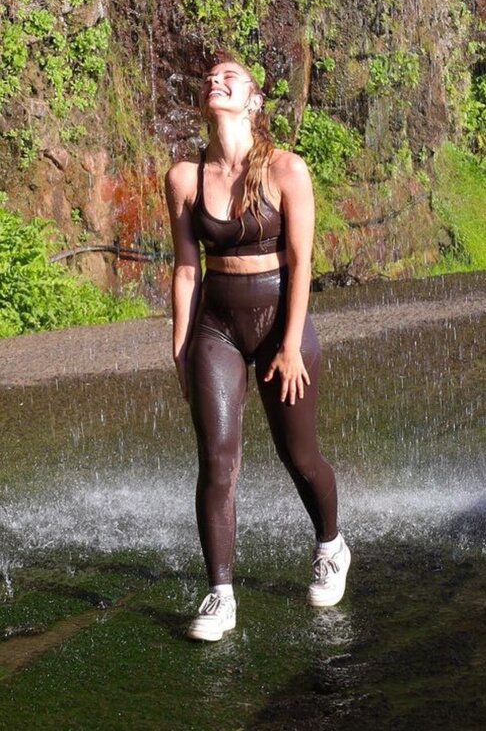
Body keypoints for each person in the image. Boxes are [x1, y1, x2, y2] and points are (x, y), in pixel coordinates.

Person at [164, 57, 350, 642]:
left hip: (278, 325)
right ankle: (220, 595)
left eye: (230, 77)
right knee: (217, 461)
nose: (215, 81)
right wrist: (181, 348)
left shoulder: (287, 170)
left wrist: (291, 344)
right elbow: (187, 270)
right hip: (215, 328)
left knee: (300, 456)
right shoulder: (184, 179)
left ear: (254, 100)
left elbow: (302, 262)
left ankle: (331, 545)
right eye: (210, 77)